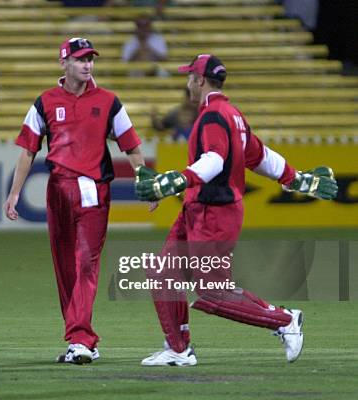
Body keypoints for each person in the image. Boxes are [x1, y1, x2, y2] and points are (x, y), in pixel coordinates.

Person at [134, 54, 338, 366]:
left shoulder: (214, 115)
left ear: (200, 81)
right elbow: (259, 155)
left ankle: (284, 320)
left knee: (213, 292)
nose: (187, 82)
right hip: (199, 209)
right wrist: (295, 178)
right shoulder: (232, 115)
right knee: (164, 273)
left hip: (214, 213)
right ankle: (178, 349)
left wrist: (176, 180)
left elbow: (215, 160)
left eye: (190, 77)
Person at [3, 37, 149, 364]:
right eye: (81, 59)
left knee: (86, 263)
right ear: (64, 62)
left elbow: (132, 147)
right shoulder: (44, 102)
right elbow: (28, 150)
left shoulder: (110, 101)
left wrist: (146, 184)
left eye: (91, 60)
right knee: (65, 267)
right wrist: (14, 194)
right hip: (58, 189)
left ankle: (80, 339)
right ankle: (80, 337)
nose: (87, 65)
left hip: (94, 190)